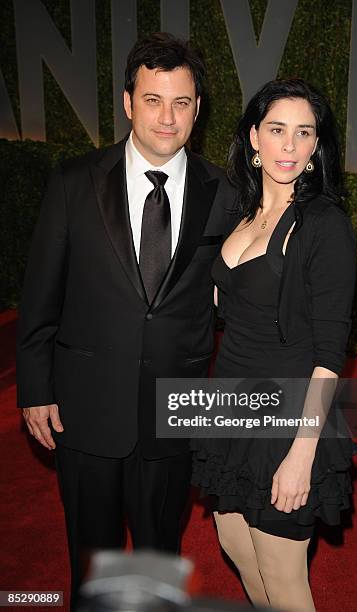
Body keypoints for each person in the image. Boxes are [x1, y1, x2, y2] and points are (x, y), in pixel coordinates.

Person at [16, 32, 235, 609]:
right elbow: (40, 296)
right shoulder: (73, 183)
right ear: (127, 102)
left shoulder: (225, 195)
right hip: (85, 410)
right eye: (154, 99)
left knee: (158, 564)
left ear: (197, 109)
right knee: (92, 565)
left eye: (182, 102)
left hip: (173, 411)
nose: (168, 117)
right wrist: (35, 387)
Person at [191, 78, 357, 611]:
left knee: (284, 580)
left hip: (287, 418)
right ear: (254, 138)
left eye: (304, 133)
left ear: (316, 147)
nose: (289, 146)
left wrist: (302, 453)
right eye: (277, 130)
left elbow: (331, 352)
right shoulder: (240, 213)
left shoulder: (324, 225)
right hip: (232, 408)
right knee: (236, 546)